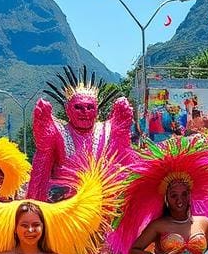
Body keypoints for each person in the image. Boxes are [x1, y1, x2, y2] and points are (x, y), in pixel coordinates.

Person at [27, 66, 134, 201]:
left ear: (97, 110)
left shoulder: (109, 131)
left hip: (103, 206)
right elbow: (41, 171)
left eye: (90, 107)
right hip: (66, 209)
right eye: (78, 107)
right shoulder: (58, 133)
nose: (85, 112)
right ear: (67, 109)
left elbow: (125, 166)